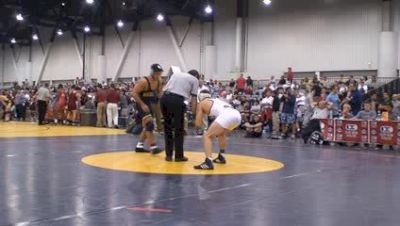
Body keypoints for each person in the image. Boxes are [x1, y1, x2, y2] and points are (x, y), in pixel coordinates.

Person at [194, 91, 241, 170]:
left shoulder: (202, 103)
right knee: (221, 134)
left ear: (200, 98)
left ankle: (208, 162)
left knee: (207, 136)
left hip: (227, 116)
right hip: (237, 116)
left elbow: (198, 124)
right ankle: (221, 156)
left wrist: (203, 126)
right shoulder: (217, 100)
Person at [160, 69, 199, 162]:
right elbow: (194, 98)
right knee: (179, 129)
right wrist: (194, 115)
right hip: (177, 100)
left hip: (164, 98)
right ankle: (178, 156)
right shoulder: (195, 80)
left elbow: (164, 87)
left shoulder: (176, 74)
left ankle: (168, 156)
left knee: (168, 128)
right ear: (196, 76)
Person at [131, 64, 163, 154]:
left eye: (160, 73)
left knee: (147, 126)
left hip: (151, 105)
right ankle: (153, 147)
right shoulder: (143, 81)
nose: (158, 75)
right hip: (141, 104)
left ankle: (139, 146)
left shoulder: (159, 81)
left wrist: (161, 96)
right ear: (152, 72)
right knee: (149, 125)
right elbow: (133, 93)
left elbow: (159, 93)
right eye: (157, 73)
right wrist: (142, 104)